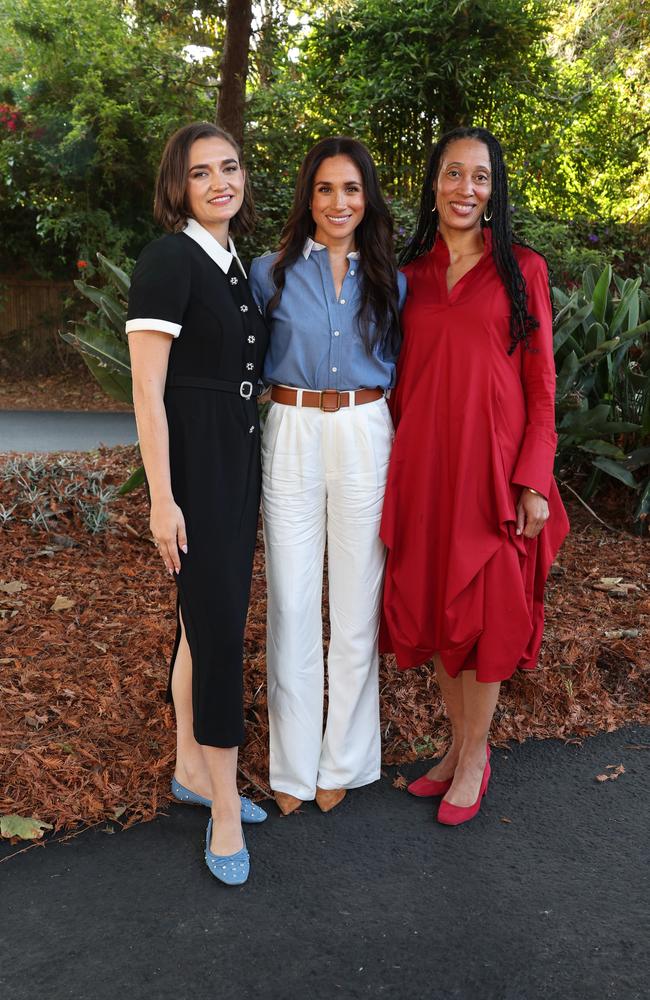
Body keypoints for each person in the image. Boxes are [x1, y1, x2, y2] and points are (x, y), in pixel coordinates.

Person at [380, 126, 569, 826]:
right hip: (427, 470)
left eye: (480, 177)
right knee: (439, 615)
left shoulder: (523, 269)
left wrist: (534, 479)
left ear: (495, 190)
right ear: (434, 182)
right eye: (454, 174)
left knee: (484, 621)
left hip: (494, 473)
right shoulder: (408, 274)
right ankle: (458, 750)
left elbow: (543, 384)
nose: (466, 189)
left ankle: (475, 757)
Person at [126, 122, 269, 884]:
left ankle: (191, 769)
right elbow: (148, 392)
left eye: (231, 167)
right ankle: (220, 809)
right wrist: (163, 500)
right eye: (201, 172)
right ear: (177, 187)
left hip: (236, 457)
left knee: (200, 628)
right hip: (197, 468)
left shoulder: (231, 263)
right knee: (216, 636)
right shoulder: (167, 259)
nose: (220, 182)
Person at [249, 137, 406, 815]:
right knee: (289, 598)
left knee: (354, 605)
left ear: (366, 197)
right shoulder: (270, 273)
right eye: (324, 188)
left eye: (350, 189)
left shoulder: (390, 279)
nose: (338, 202)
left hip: (366, 431)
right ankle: (291, 769)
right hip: (292, 427)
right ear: (306, 196)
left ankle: (342, 760)